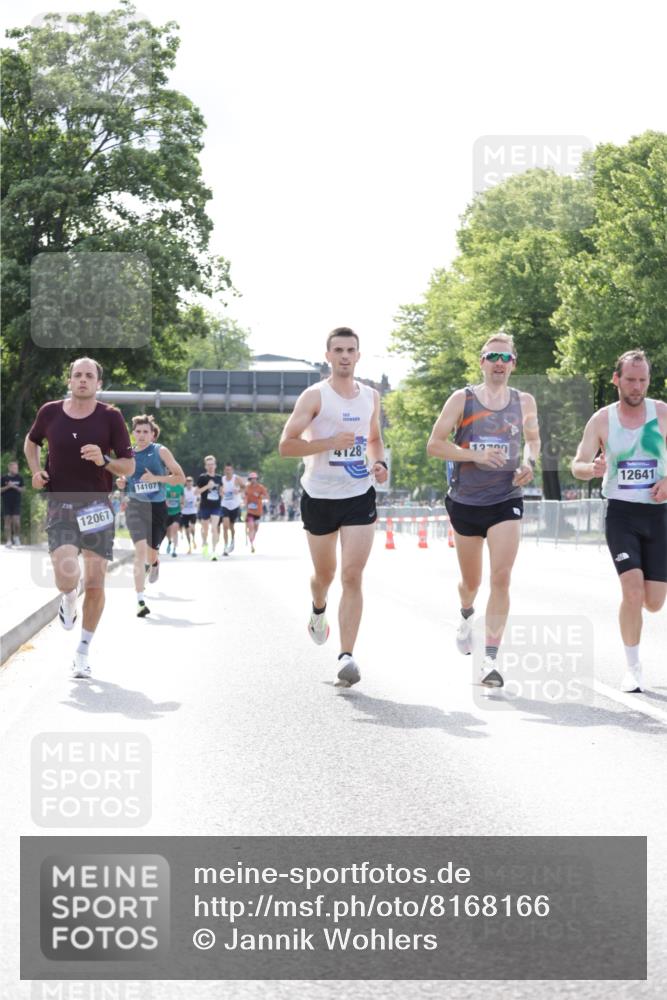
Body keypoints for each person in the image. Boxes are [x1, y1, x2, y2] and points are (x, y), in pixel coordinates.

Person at [427, 332, 540, 688]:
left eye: (506, 358)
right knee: (471, 583)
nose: (499, 364)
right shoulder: (462, 399)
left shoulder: (524, 402)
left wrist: (529, 462)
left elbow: (533, 440)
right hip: (466, 501)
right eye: (493, 356)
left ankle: (489, 658)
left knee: (501, 577)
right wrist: (474, 455)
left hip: (506, 498)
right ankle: (465, 615)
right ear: (482, 361)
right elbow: (434, 445)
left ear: (514, 365)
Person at [279, 326, 388, 687]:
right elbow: (287, 445)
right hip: (320, 496)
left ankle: (346, 655)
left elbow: (373, 439)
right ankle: (318, 606)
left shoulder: (370, 396)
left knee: (352, 575)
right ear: (328, 356)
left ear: (359, 355)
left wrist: (380, 462)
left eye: (350, 350)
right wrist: (328, 442)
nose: (344, 356)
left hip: (359, 494)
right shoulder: (315, 396)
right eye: (338, 350)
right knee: (324, 575)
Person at [23, 357, 135, 678]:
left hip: (97, 505)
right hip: (60, 502)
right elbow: (31, 443)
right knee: (65, 573)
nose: (83, 380)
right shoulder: (50, 412)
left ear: (98, 383)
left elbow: (128, 467)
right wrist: (36, 471)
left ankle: (83, 651)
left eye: (89, 376)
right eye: (77, 375)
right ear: (69, 380)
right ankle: (68, 597)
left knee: (97, 583)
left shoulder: (111, 417)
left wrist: (104, 460)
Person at [571, 349, 666, 692]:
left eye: (643, 380)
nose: (637, 386)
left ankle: (640, 614)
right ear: (616, 380)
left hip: (659, 514)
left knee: (653, 602)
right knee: (632, 591)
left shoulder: (662, 414)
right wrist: (591, 469)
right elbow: (577, 464)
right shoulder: (601, 420)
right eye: (630, 379)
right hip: (621, 514)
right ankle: (633, 668)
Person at [124, 415, 185, 616]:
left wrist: (156, 478)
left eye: (145, 432)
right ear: (133, 433)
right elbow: (124, 477)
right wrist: (121, 482)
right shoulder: (127, 453)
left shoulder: (160, 451)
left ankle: (156, 562)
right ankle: (140, 601)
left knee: (150, 554)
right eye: (138, 432)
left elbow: (180, 478)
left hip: (157, 508)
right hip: (135, 506)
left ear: (152, 434)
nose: (141, 436)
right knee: (139, 552)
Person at [196, 455, 223, 560]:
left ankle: (214, 551)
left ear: (215, 465)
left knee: (214, 528)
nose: (211, 466)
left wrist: (223, 492)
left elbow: (222, 491)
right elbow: (196, 492)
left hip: (216, 506)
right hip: (205, 506)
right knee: (205, 529)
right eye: (208, 465)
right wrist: (207, 486)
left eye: (212, 464)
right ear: (205, 466)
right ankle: (204, 543)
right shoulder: (202, 477)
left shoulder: (219, 478)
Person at [220, 462, 245, 556]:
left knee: (231, 526)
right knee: (225, 526)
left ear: (232, 470)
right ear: (224, 470)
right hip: (225, 505)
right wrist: (221, 492)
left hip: (235, 505)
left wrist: (238, 490)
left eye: (229, 470)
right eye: (226, 470)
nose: (228, 471)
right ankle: (225, 547)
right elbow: (220, 490)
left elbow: (244, 487)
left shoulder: (236, 478)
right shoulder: (222, 479)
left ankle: (232, 540)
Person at [244, 472, 269, 553]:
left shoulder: (261, 487)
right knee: (251, 527)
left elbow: (266, 496)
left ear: (257, 479)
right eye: (252, 479)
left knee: (255, 529)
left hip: (258, 512)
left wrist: (259, 496)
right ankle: (252, 544)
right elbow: (245, 495)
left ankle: (251, 539)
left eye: (255, 478)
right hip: (249, 511)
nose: (253, 480)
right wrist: (245, 502)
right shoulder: (247, 487)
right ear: (250, 479)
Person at [1, 460, 25, 546]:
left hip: (16, 503)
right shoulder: (3, 478)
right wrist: (8, 486)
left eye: (17, 467)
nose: (16, 469)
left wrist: (14, 486)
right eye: (14, 468)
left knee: (16, 522)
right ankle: (8, 540)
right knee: (7, 521)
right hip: (6, 503)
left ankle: (16, 537)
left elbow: (23, 490)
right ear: (10, 468)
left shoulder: (20, 478)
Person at [164, 480, 184, 557]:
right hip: (167, 512)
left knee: (175, 529)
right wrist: (166, 502)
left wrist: (182, 504)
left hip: (177, 511)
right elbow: (163, 496)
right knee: (168, 530)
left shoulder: (180, 487)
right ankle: (169, 542)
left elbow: (182, 497)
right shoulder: (166, 486)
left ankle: (174, 549)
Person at [180, 476, 198, 553]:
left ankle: (193, 539)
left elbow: (199, 499)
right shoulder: (183, 490)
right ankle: (189, 545)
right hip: (185, 512)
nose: (189, 483)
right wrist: (182, 504)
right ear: (186, 483)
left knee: (192, 527)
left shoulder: (195, 490)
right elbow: (180, 499)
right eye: (187, 482)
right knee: (187, 530)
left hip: (193, 512)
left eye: (190, 482)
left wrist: (197, 504)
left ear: (192, 483)